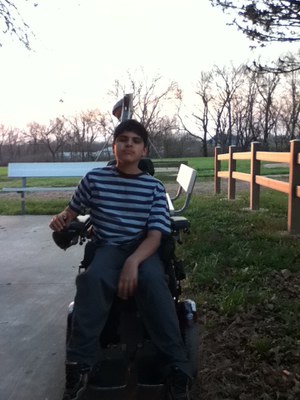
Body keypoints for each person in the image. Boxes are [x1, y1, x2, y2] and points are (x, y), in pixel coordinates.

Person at [50, 119, 192, 400]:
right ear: (113, 146)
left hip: (143, 249)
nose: (129, 144)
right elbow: (71, 211)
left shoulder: (153, 188)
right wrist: (61, 220)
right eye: (123, 139)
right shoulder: (94, 179)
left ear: (143, 150)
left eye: (135, 141)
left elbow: (154, 236)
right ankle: (80, 364)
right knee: (92, 279)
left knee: (153, 280)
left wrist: (132, 263)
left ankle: (176, 364)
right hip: (108, 247)